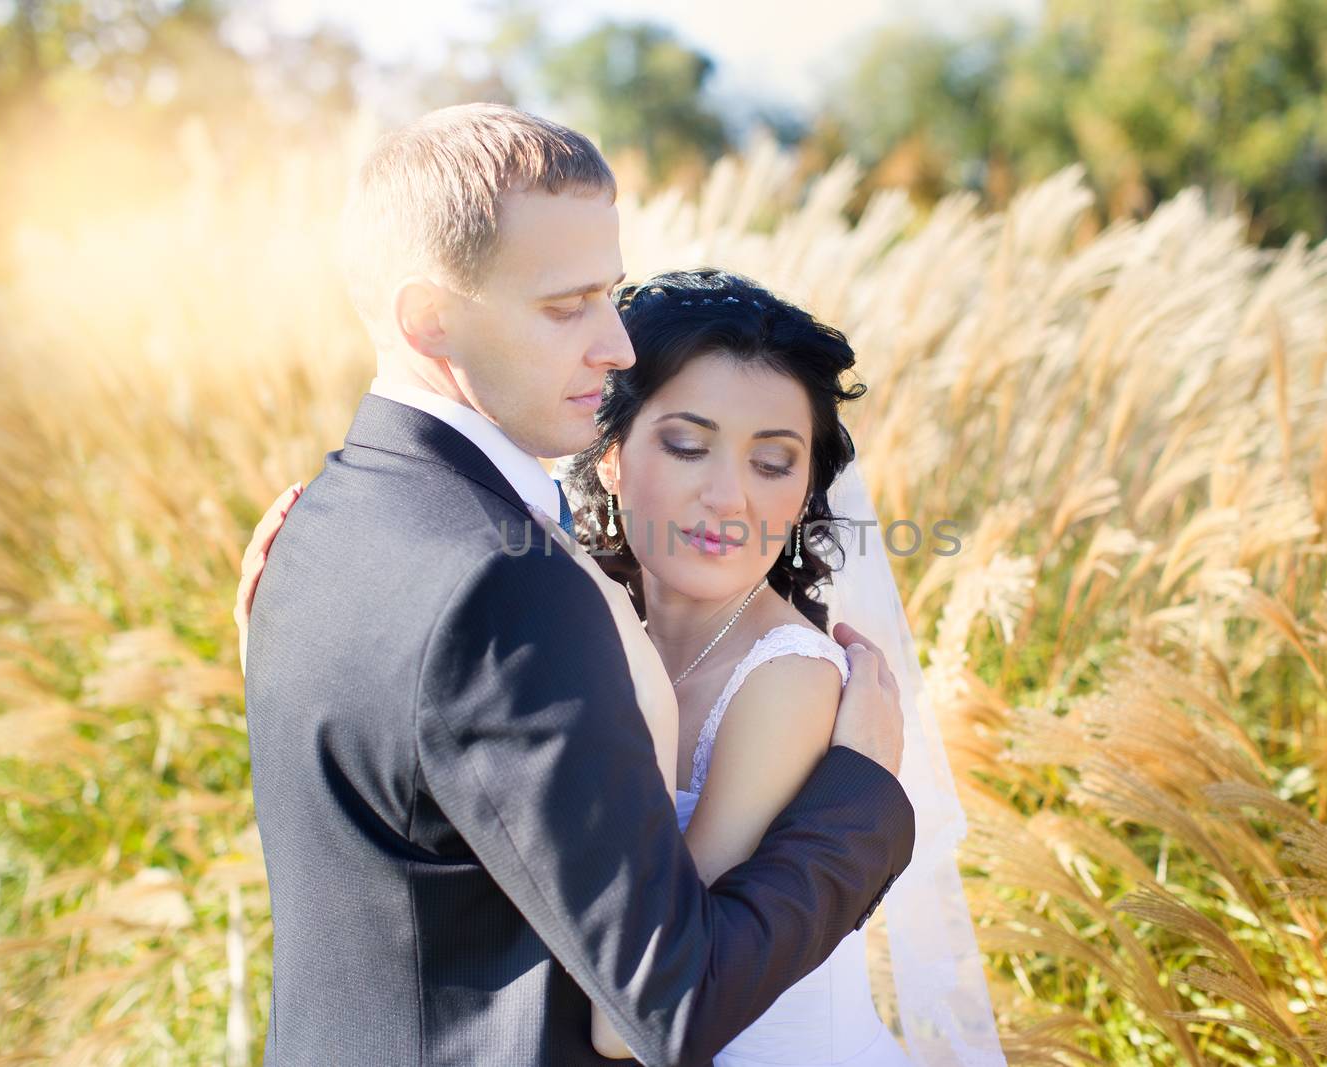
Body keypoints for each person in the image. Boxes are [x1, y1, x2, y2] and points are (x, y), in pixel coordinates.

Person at [236, 103, 913, 1066]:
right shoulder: (511, 584)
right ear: (431, 321)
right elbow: (662, 1006)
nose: (617, 346)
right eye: (566, 307)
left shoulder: (317, 525)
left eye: (613, 295)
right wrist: (865, 794)